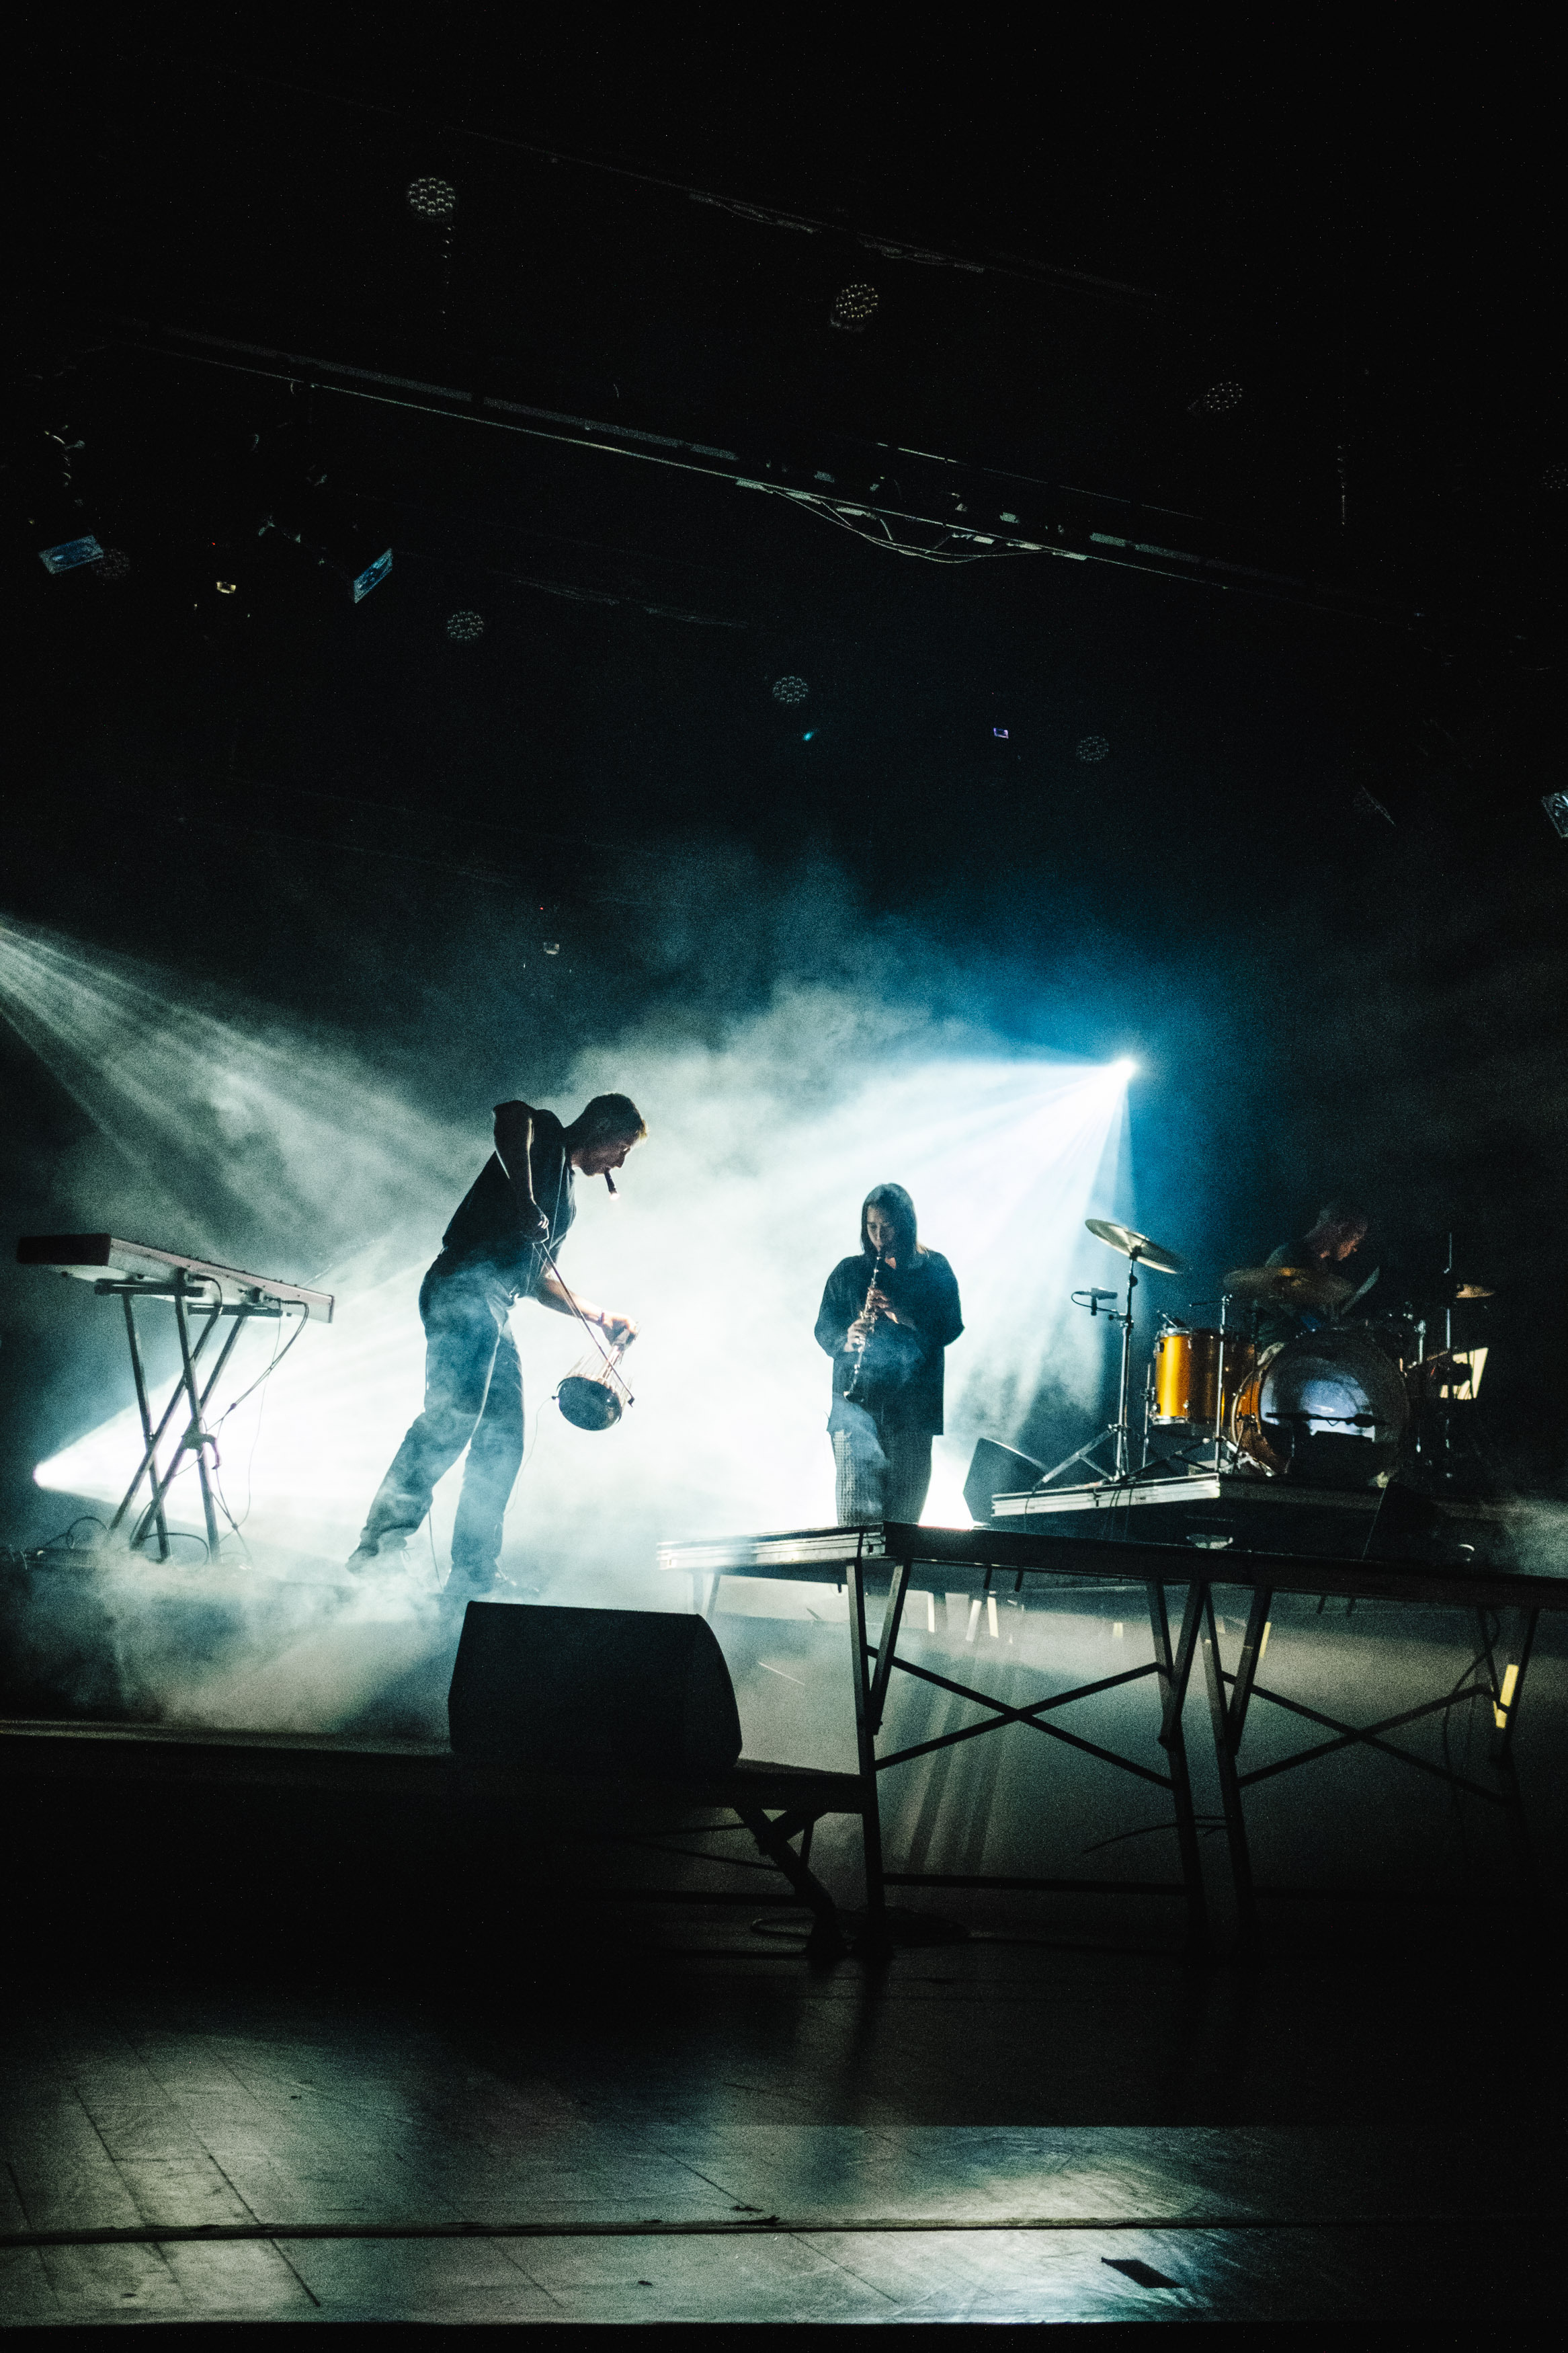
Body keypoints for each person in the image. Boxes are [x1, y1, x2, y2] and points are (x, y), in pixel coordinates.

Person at [347, 1092, 645, 1596]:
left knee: (503, 1440)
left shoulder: (566, 1197)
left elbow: (536, 1278)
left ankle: (473, 1575)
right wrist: (525, 1202)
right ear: (600, 1128)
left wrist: (599, 1315)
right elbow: (510, 1114)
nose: (619, 1161)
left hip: (497, 1302)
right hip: (464, 1284)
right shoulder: (547, 1136)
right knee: (453, 1416)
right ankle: (378, 1550)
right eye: (621, 1147)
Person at [814, 1183, 964, 1526]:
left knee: (902, 1525)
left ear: (906, 1224)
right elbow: (823, 1329)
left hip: (912, 1412)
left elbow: (950, 1327)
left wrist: (903, 1314)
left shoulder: (934, 1268)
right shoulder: (849, 1271)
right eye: (872, 1227)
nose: (879, 1236)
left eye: (888, 1226)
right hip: (855, 1411)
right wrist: (846, 1338)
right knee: (857, 1528)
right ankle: (859, 1581)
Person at [1255, 1199, 1372, 1350]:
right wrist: (1342, 1332)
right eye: (1357, 1238)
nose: (1355, 1248)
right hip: (1283, 1353)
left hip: (1303, 1352)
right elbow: (1306, 1318)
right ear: (1342, 1229)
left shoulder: (1316, 1264)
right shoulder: (1290, 1257)